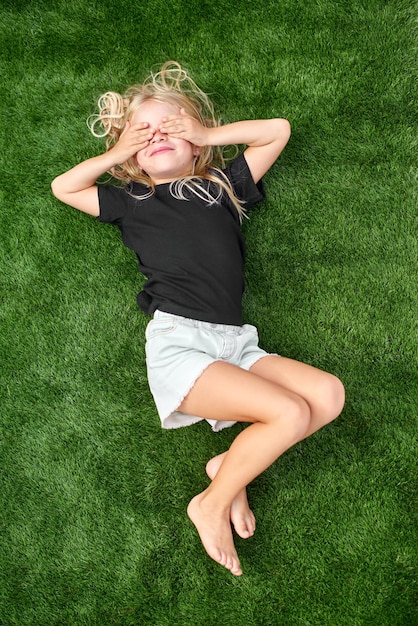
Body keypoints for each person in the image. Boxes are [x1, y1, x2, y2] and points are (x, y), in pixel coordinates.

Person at [51, 61, 345, 576]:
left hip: (236, 344)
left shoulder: (220, 187)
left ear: (194, 146)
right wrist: (120, 150)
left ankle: (224, 471)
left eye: (170, 128)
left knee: (327, 395)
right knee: (291, 414)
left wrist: (208, 132)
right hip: (181, 344)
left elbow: (277, 132)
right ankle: (209, 504)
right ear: (132, 157)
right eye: (146, 133)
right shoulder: (133, 200)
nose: (158, 136)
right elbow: (65, 187)